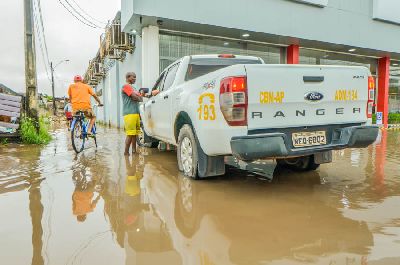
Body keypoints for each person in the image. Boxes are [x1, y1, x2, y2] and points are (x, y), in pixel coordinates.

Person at [121, 72, 143, 156]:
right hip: (129, 113)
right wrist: (139, 97)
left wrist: (138, 97)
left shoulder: (133, 88)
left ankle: (134, 151)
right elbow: (134, 97)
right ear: (128, 77)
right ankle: (126, 152)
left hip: (135, 113)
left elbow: (138, 97)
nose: (135, 79)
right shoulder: (125, 86)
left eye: (135, 77)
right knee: (130, 134)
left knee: (135, 134)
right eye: (133, 77)